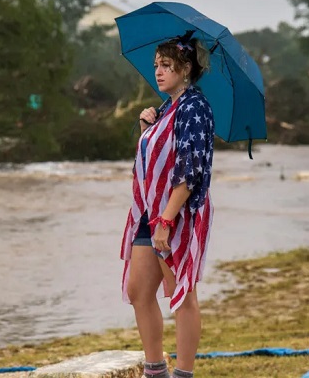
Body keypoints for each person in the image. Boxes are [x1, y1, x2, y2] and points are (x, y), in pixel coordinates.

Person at [120, 31, 214, 378]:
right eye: (157, 65)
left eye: (167, 65)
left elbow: (191, 169)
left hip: (177, 212)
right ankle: (155, 369)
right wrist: (147, 128)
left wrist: (167, 219)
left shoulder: (195, 107)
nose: (158, 72)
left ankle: (183, 373)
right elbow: (148, 167)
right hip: (151, 211)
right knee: (138, 290)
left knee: (180, 293)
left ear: (186, 68)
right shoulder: (165, 109)